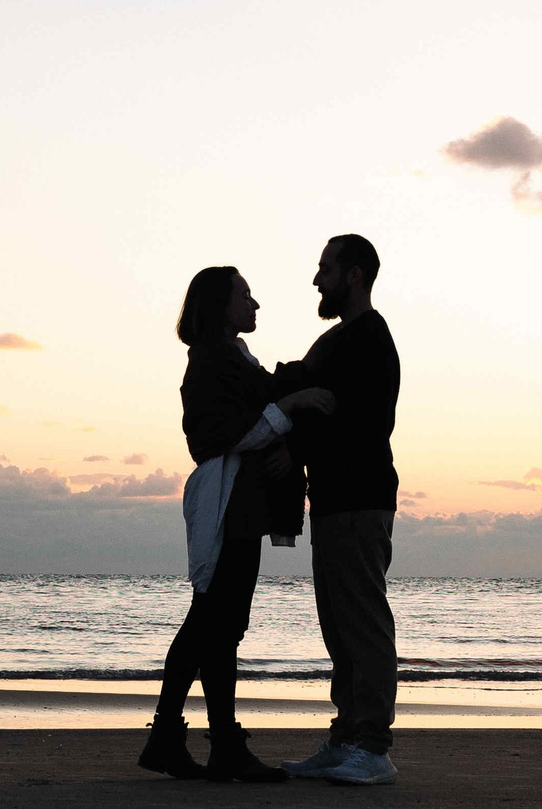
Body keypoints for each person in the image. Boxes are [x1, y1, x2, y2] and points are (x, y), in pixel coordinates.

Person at [141, 265, 335, 784]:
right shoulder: (210, 361)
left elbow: (261, 403)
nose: (254, 305)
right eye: (245, 296)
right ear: (220, 306)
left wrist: (286, 408)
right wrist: (287, 408)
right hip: (228, 507)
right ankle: (196, 738)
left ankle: (195, 739)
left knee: (218, 625)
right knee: (212, 623)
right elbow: (219, 437)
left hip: (241, 506)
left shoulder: (232, 358)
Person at [277, 234, 402, 787]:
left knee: (362, 623)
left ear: (354, 275)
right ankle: (346, 737)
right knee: (339, 625)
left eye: (324, 268)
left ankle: (372, 747)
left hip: (359, 499)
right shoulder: (339, 341)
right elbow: (299, 385)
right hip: (333, 501)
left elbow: (334, 409)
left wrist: (292, 417)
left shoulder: (366, 339)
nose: (316, 279)